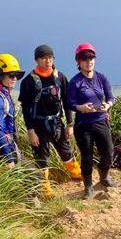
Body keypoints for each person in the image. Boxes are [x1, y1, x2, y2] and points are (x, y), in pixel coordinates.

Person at [18, 45, 82, 198]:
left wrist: (70, 124)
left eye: (50, 57)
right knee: (41, 156)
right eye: (43, 58)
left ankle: (76, 174)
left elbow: (67, 103)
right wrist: (30, 131)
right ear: (36, 60)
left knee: (65, 150)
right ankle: (45, 189)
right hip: (38, 125)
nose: (47, 61)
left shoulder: (60, 77)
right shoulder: (28, 82)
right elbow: (26, 109)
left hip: (56, 122)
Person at [67, 43, 117, 199]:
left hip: (101, 120)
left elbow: (111, 97)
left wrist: (107, 105)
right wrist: (81, 107)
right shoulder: (75, 82)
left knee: (108, 152)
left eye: (91, 58)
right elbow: (70, 103)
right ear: (78, 62)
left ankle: (104, 176)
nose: (89, 61)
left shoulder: (101, 78)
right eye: (85, 59)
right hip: (84, 125)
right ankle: (88, 185)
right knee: (87, 156)